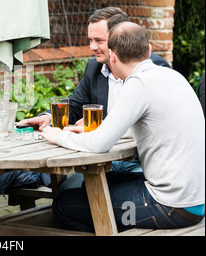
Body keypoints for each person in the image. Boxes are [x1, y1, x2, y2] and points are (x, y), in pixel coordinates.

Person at [41, 22, 205, 232]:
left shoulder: (138, 83)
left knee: (64, 205)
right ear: (149, 50)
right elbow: (149, 126)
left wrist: (58, 136)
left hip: (170, 207)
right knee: (96, 185)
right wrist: (96, 130)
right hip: (196, 203)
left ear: (113, 56)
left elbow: (99, 144)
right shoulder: (173, 77)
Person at [19, 7, 170, 175]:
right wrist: (46, 117)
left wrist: (96, 129)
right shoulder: (95, 67)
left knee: (72, 198)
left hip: (140, 163)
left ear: (118, 39)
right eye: (90, 40)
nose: (92, 47)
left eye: (99, 40)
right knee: (67, 192)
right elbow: (75, 104)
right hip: (102, 159)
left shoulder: (151, 68)